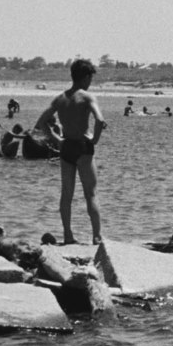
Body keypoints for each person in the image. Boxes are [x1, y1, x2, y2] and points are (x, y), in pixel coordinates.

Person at [33, 58, 106, 244]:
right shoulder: (87, 97)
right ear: (86, 77)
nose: (90, 82)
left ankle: (68, 235)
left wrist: (57, 140)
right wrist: (95, 139)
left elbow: (41, 122)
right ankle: (96, 236)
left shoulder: (60, 98)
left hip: (67, 147)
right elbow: (99, 119)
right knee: (90, 194)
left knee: (67, 195)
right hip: (83, 146)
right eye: (90, 78)